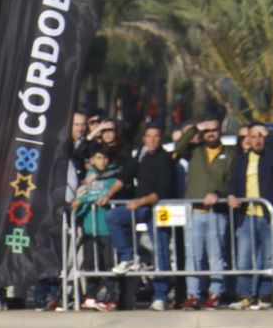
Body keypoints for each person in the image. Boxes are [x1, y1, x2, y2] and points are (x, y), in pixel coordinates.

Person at [106, 123, 176, 310]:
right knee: (113, 217)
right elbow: (124, 176)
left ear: (161, 139)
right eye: (149, 136)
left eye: (156, 136)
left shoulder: (165, 159)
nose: (152, 140)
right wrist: (107, 195)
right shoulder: (141, 156)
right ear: (144, 138)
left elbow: (162, 190)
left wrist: (139, 201)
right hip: (141, 207)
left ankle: (161, 295)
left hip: (158, 208)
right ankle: (128, 256)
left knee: (161, 251)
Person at [174, 116, 236, 309]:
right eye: (207, 131)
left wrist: (219, 194)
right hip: (194, 211)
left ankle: (215, 293)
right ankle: (193, 294)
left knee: (216, 255)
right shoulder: (194, 152)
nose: (211, 134)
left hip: (217, 212)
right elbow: (179, 147)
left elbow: (233, 182)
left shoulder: (230, 153)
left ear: (220, 132)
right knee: (193, 256)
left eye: (214, 130)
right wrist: (196, 127)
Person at [226, 121, 273, 309]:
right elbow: (233, 183)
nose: (257, 140)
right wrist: (232, 196)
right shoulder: (241, 160)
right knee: (244, 258)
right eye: (253, 136)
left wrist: (269, 140)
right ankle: (244, 295)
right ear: (247, 139)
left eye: (261, 136)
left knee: (268, 257)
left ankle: (265, 295)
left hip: (267, 215)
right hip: (247, 215)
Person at [73, 144, 119, 310]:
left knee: (108, 264)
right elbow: (81, 194)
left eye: (105, 158)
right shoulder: (88, 177)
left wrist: (82, 200)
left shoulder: (112, 176)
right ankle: (91, 294)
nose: (102, 161)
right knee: (90, 263)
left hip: (105, 228)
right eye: (99, 158)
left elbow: (101, 194)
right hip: (89, 228)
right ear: (92, 160)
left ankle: (112, 295)